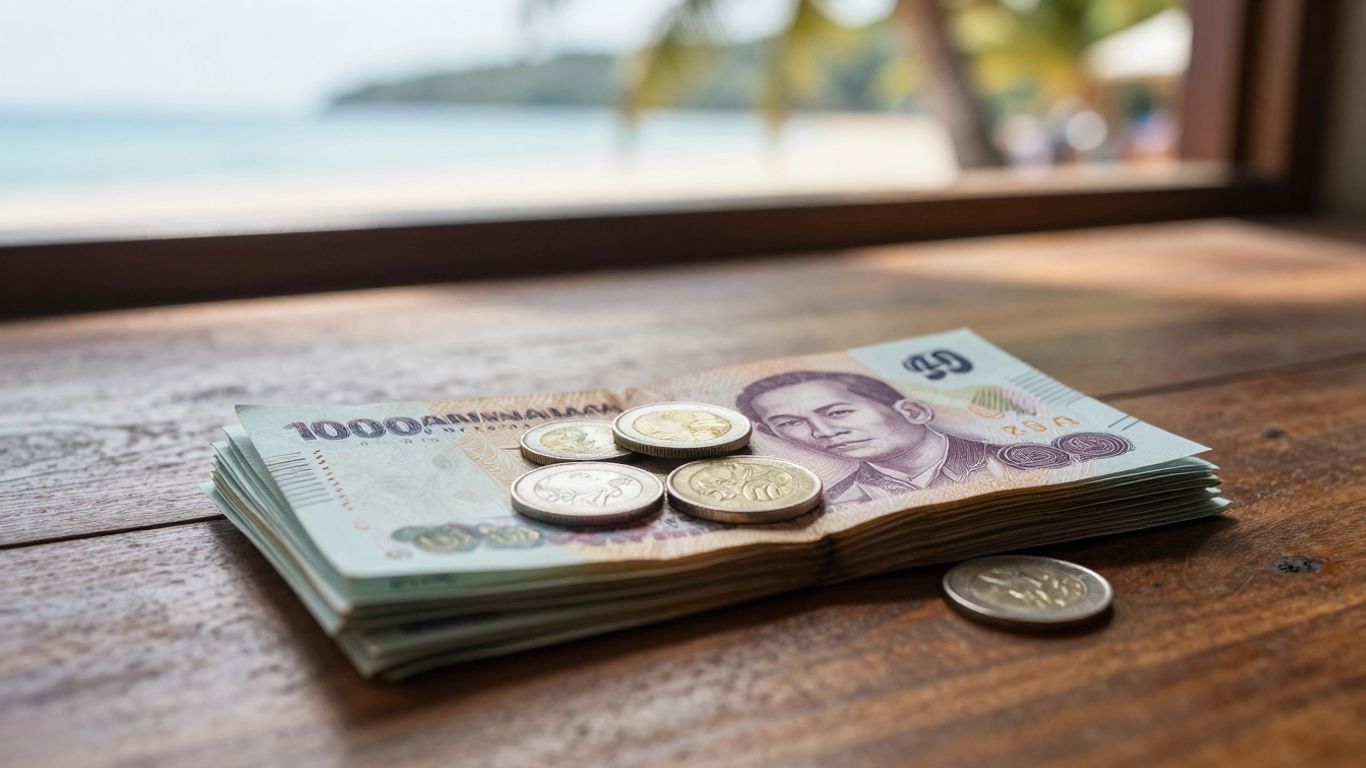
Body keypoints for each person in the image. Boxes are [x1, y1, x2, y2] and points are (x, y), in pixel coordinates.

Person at [735, 370, 1014, 504]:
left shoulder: (1012, 464)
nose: (824, 431)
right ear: (777, 436)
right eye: (790, 423)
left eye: (839, 411)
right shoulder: (838, 502)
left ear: (913, 411)